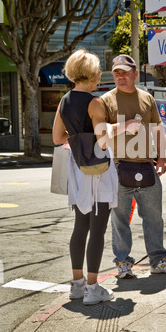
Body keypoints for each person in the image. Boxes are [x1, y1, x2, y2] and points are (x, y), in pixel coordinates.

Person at [101, 54, 166, 279]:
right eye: (116, 72)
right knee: (119, 220)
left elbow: (158, 129)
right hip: (117, 168)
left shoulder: (147, 98)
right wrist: (123, 126)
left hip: (147, 166)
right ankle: (123, 263)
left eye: (125, 72)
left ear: (135, 73)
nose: (120, 76)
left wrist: (163, 158)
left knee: (154, 218)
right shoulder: (106, 99)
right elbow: (99, 131)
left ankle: (158, 261)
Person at [52, 48, 118, 305]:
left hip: (78, 170)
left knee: (81, 226)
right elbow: (103, 141)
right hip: (98, 171)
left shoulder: (64, 101)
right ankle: (93, 289)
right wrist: (122, 127)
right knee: (98, 229)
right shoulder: (95, 102)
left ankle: (77, 285)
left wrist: (77, 139)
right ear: (92, 75)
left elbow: (58, 138)